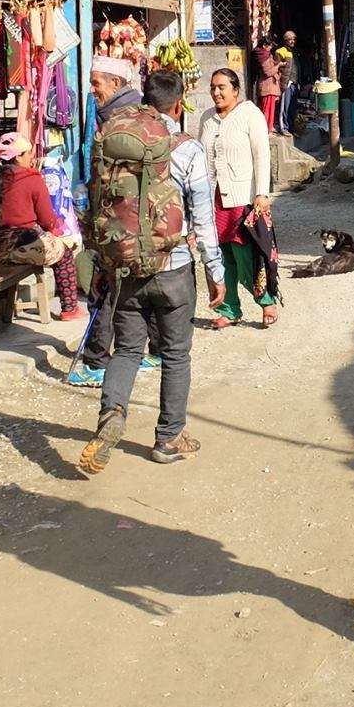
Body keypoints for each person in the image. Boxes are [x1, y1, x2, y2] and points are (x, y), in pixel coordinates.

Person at [77, 66, 224, 472]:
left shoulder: (116, 140)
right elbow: (203, 221)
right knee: (176, 354)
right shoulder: (187, 148)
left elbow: (93, 200)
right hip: (173, 266)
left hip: (127, 269)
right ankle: (169, 437)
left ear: (144, 97)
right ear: (178, 104)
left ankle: (111, 416)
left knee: (126, 349)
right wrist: (216, 274)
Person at [68, 56, 157, 387]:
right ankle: (129, 350)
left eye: (97, 84)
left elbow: (107, 181)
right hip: (140, 222)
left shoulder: (118, 122)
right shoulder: (140, 115)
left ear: (117, 85)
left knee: (105, 289)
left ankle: (96, 359)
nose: (92, 91)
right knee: (129, 289)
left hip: (119, 223)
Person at [200, 68, 279, 327]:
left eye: (222, 87)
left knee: (246, 258)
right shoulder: (207, 118)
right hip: (214, 200)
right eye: (213, 87)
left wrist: (262, 193)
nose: (216, 92)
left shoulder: (249, 114)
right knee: (222, 257)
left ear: (236, 89)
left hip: (243, 199)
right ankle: (230, 309)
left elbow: (262, 155)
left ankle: (266, 301)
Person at [0, 132, 79, 319]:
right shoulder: (31, 179)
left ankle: (0, 309)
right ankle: (70, 308)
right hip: (22, 246)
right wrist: (56, 230)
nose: (32, 157)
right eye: (28, 153)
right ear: (17, 157)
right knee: (65, 253)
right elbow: (47, 219)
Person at [252, 37, 282, 130]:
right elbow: (268, 72)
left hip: (270, 86)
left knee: (270, 109)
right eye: (270, 46)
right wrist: (278, 66)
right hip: (267, 86)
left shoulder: (265, 54)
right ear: (264, 46)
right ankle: (266, 129)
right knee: (267, 110)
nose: (271, 48)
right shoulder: (263, 56)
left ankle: (268, 128)